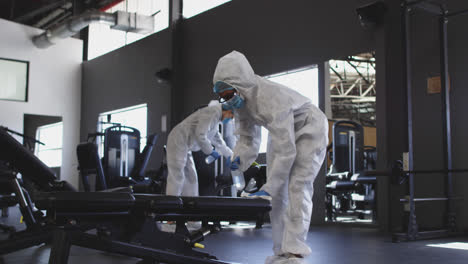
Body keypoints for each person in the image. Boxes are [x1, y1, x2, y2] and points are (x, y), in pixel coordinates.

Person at [213, 51, 328, 264]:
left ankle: (295, 252)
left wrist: (270, 185)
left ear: (240, 84)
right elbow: (247, 139)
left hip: (309, 125)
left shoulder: (270, 98)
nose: (227, 101)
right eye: (224, 97)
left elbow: (287, 151)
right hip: (282, 131)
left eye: (229, 95)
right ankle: (280, 252)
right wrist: (239, 159)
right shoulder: (242, 103)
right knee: (277, 198)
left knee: (297, 186)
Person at [165, 100, 234, 196]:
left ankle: (191, 203)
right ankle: (171, 202)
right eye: (231, 115)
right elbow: (200, 135)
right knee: (177, 174)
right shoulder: (212, 112)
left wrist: (232, 157)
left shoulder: (215, 120)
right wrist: (210, 151)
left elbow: (219, 142)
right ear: (227, 110)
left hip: (186, 144)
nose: (231, 118)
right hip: (178, 139)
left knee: (191, 176)